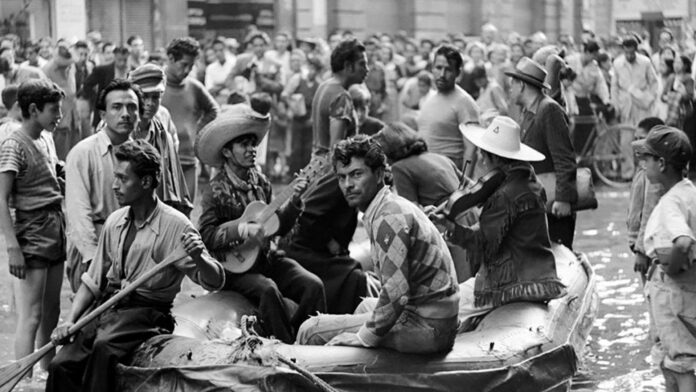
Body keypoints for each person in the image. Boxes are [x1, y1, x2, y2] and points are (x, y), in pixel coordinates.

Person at [47, 140, 225, 392]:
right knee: (61, 364)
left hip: (148, 311)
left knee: (104, 348)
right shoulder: (115, 221)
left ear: (146, 182)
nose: (114, 186)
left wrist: (200, 258)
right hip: (108, 307)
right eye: (114, 177)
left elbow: (215, 280)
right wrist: (69, 320)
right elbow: (93, 280)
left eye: (122, 178)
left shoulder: (177, 225)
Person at [296, 135, 460, 353]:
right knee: (365, 305)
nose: (348, 185)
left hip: (427, 326)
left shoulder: (388, 217)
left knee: (311, 329)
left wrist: (364, 337)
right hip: (433, 317)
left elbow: (396, 292)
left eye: (356, 174)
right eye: (342, 177)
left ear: (379, 174)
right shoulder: (387, 206)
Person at [197, 100, 325, 343]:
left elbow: (278, 227)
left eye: (253, 144)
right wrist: (241, 229)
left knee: (313, 285)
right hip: (234, 269)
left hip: (265, 259)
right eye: (243, 145)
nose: (251, 149)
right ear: (226, 151)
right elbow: (205, 236)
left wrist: (295, 202)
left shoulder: (262, 183)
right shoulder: (215, 190)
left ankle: (303, 340)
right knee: (267, 289)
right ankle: (285, 347)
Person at [432, 116, 566, 330]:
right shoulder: (531, 182)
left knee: (440, 309)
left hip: (514, 284)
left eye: (484, 155)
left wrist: (451, 229)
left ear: (493, 158)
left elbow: (483, 243)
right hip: (540, 274)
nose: (482, 161)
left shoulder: (505, 195)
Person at [279, 38, 370, 315]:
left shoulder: (324, 86)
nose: (367, 69)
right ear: (348, 65)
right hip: (331, 172)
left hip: (314, 168)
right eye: (362, 64)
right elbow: (337, 147)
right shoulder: (341, 95)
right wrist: (344, 171)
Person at [0, 80, 65, 381]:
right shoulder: (13, 144)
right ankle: (20, 381)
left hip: (54, 227)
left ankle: (46, 374)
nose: (59, 116)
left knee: (51, 312)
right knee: (31, 316)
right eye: (54, 110)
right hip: (31, 232)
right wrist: (12, 246)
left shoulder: (46, 138)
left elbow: (49, 174)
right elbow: (1, 198)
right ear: (33, 109)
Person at [65, 79, 143, 292]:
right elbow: (78, 212)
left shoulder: (142, 154)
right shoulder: (83, 153)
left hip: (132, 250)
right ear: (102, 115)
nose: (125, 113)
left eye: (132, 107)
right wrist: (92, 259)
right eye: (116, 107)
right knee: (90, 319)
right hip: (93, 247)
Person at [634, 126, 696, 392]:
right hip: (687, 290)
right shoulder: (689, 191)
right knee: (673, 362)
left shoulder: (671, 202)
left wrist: (670, 268)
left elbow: (683, 240)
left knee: (681, 363)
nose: (642, 164)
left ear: (661, 163)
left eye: (646, 158)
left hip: (672, 291)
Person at [507, 57, 578, 249]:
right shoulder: (529, 112)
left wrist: (563, 199)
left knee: (559, 257)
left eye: (512, 83)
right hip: (537, 200)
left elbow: (565, 159)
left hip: (555, 203)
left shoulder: (548, 109)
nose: (510, 88)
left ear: (521, 85)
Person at [128, 63, 191, 216]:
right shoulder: (121, 122)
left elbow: (172, 160)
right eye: (144, 97)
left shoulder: (163, 117)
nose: (150, 103)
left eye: (155, 97)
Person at [161, 37, 219, 202]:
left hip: (188, 160)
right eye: (184, 65)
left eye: (191, 66)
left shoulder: (194, 87)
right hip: (161, 162)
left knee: (186, 209)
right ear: (171, 59)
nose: (187, 70)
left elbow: (214, 110)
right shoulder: (156, 86)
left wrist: (197, 131)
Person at [417, 44, 480, 178]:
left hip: (449, 173)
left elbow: (471, 149)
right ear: (432, 68)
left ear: (457, 72)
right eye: (438, 68)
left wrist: (464, 183)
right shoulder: (428, 99)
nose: (442, 74)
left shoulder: (464, 102)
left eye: (448, 69)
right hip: (427, 170)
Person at [373, 122, 459, 207]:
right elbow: (470, 185)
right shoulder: (440, 158)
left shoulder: (400, 168)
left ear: (387, 151)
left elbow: (411, 211)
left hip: (445, 217)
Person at [611, 35, 659, 179]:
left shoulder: (645, 62)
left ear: (636, 50)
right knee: (626, 141)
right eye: (626, 52)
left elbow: (654, 83)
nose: (629, 55)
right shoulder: (618, 63)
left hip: (642, 106)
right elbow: (614, 86)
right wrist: (615, 104)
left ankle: (645, 172)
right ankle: (627, 173)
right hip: (625, 106)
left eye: (631, 52)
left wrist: (649, 98)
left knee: (643, 139)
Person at [627, 117, 665, 284]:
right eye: (634, 138)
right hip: (641, 243)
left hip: (649, 248)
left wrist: (641, 251)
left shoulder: (652, 174)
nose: (636, 144)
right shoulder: (642, 169)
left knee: (654, 292)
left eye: (641, 138)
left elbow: (648, 212)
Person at [43, 44, 82, 160]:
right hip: (58, 124)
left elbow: (73, 94)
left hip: (73, 120)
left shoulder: (71, 67)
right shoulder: (47, 70)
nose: (68, 67)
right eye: (64, 64)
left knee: (76, 157)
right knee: (61, 159)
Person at [78, 45, 131, 130]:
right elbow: (87, 84)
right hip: (105, 112)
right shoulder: (103, 70)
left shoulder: (132, 71)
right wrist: (96, 98)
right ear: (115, 57)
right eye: (119, 60)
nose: (122, 63)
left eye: (125, 60)